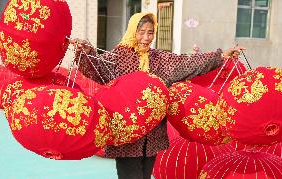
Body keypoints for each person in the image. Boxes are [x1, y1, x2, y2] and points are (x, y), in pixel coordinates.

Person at [72, 12, 244, 179]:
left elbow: (187, 63)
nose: (146, 37)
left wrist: (221, 56)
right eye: (142, 32)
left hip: (152, 136)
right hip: (127, 134)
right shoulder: (118, 57)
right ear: (133, 31)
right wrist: (85, 51)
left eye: (150, 32)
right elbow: (97, 68)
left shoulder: (159, 59)